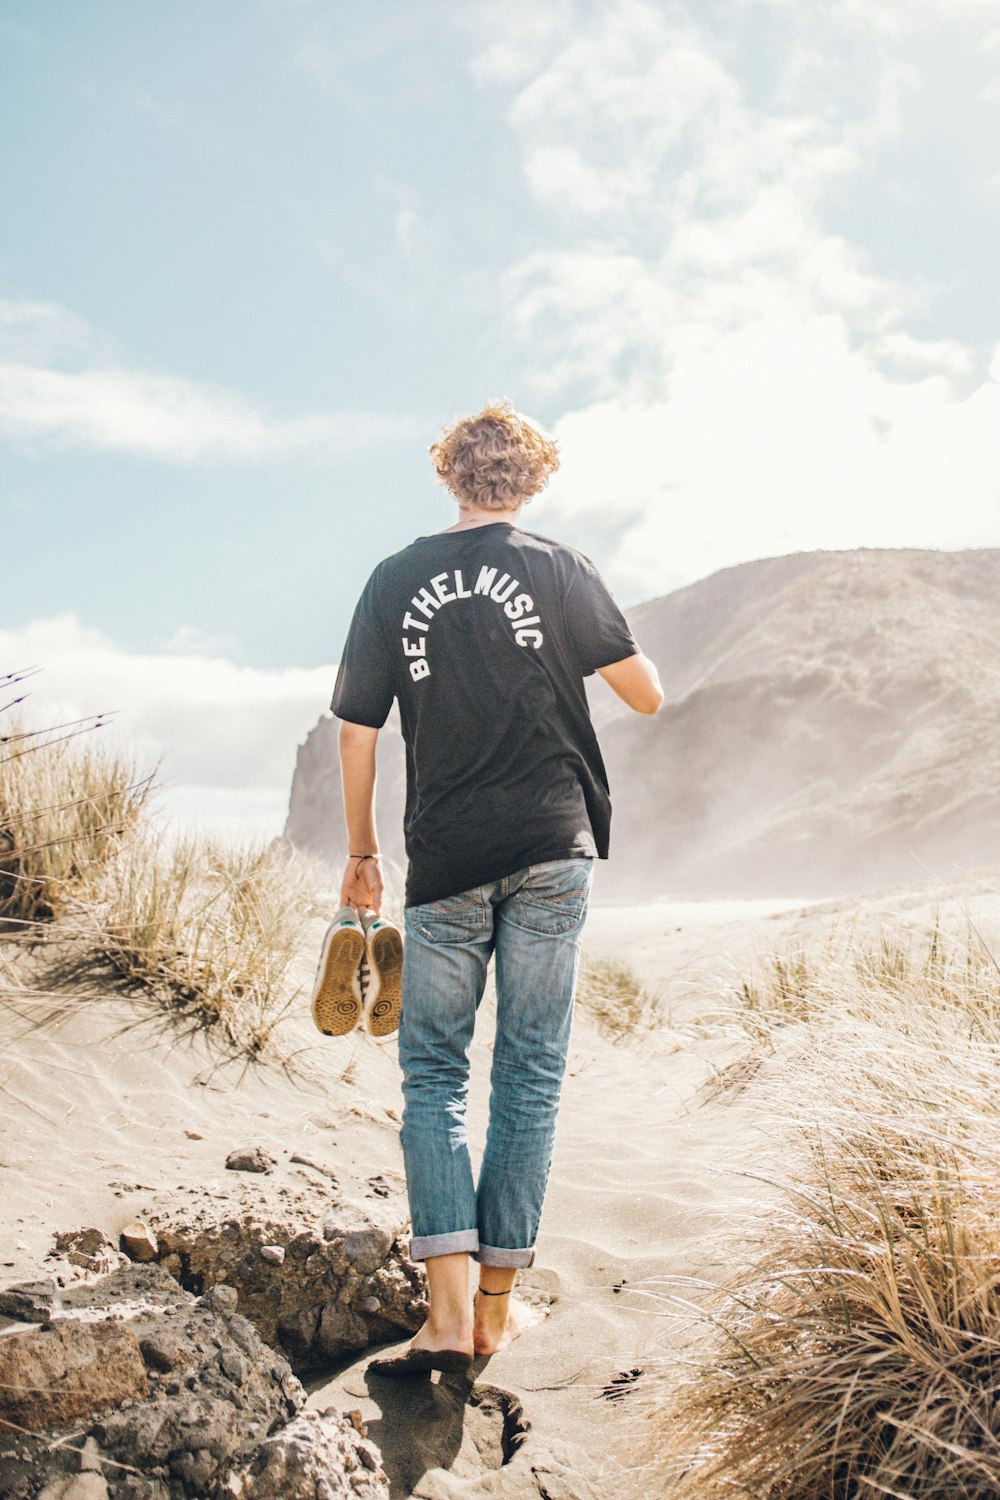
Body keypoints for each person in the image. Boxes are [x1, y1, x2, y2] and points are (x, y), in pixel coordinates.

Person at [330, 401, 663, 1373]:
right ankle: (495, 1313)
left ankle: (440, 1316)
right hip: (551, 848)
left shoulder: (394, 580)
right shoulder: (561, 568)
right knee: (527, 1073)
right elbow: (645, 692)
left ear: (451, 477)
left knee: (432, 1076)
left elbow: (358, 730)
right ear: (531, 479)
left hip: (443, 858)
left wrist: (361, 852)